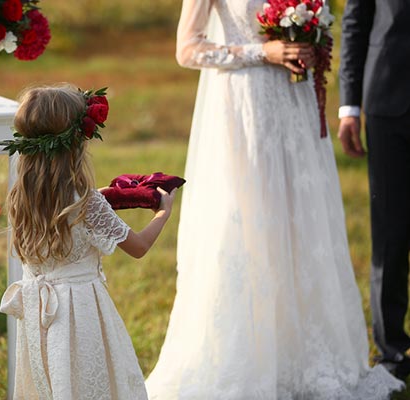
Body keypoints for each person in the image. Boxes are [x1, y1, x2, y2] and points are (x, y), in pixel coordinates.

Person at [145, 0, 404, 398]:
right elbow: (187, 48)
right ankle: (251, 355)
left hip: (294, 106)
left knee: (302, 226)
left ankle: (304, 355)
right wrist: (262, 52)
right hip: (243, 108)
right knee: (251, 225)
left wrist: (309, 43)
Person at [0, 84, 176, 400]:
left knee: (52, 381)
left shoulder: (20, 196)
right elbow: (138, 247)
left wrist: (105, 197)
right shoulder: (87, 204)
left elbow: (71, 211)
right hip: (80, 314)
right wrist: (163, 212)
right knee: (87, 381)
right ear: (76, 145)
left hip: (40, 316)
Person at [338, 0, 410, 378]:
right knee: (391, 234)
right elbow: (355, 23)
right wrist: (349, 105)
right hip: (390, 103)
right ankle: (394, 355)